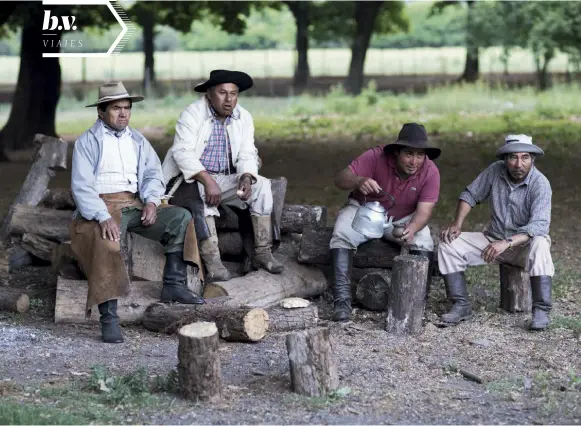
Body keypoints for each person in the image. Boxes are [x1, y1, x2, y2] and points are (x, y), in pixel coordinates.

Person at [70, 81, 204, 344]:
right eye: (116, 108)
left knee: (180, 218)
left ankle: (174, 285)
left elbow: (153, 174)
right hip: (101, 206)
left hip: (134, 203)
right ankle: (108, 318)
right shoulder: (87, 142)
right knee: (107, 244)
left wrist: (153, 202)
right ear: (101, 112)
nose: (123, 114)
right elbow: (81, 187)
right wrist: (102, 216)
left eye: (127, 108)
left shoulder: (138, 140)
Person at [162, 69, 283, 281]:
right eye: (222, 93)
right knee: (202, 197)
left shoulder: (243, 117)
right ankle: (213, 261)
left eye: (233, 93)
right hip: (190, 179)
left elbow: (247, 152)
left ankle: (262, 252)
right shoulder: (192, 113)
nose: (228, 99)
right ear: (209, 93)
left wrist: (246, 176)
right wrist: (208, 180)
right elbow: (182, 153)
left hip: (225, 177)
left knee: (262, 186)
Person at [438, 134, 553, 330]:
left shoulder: (540, 183)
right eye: (513, 158)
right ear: (505, 159)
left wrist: (506, 242)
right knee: (448, 244)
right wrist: (457, 223)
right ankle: (461, 304)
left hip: (523, 247)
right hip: (492, 240)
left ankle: (541, 309)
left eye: (525, 157)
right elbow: (470, 194)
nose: (519, 164)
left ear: (532, 159)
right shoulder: (495, 171)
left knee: (541, 242)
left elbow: (539, 226)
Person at [329, 123, 441, 322]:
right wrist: (358, 181)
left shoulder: (430, 171)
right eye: (409, 154)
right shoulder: (375, 156)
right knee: (342, 233)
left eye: (420, 155)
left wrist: (413, 228)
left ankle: (417, 302)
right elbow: (340, 178)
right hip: (365, 211)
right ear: (397, 152)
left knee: (424, 242)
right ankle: (342, 301)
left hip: (403, 218)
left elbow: (424, 211)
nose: (414, 161)